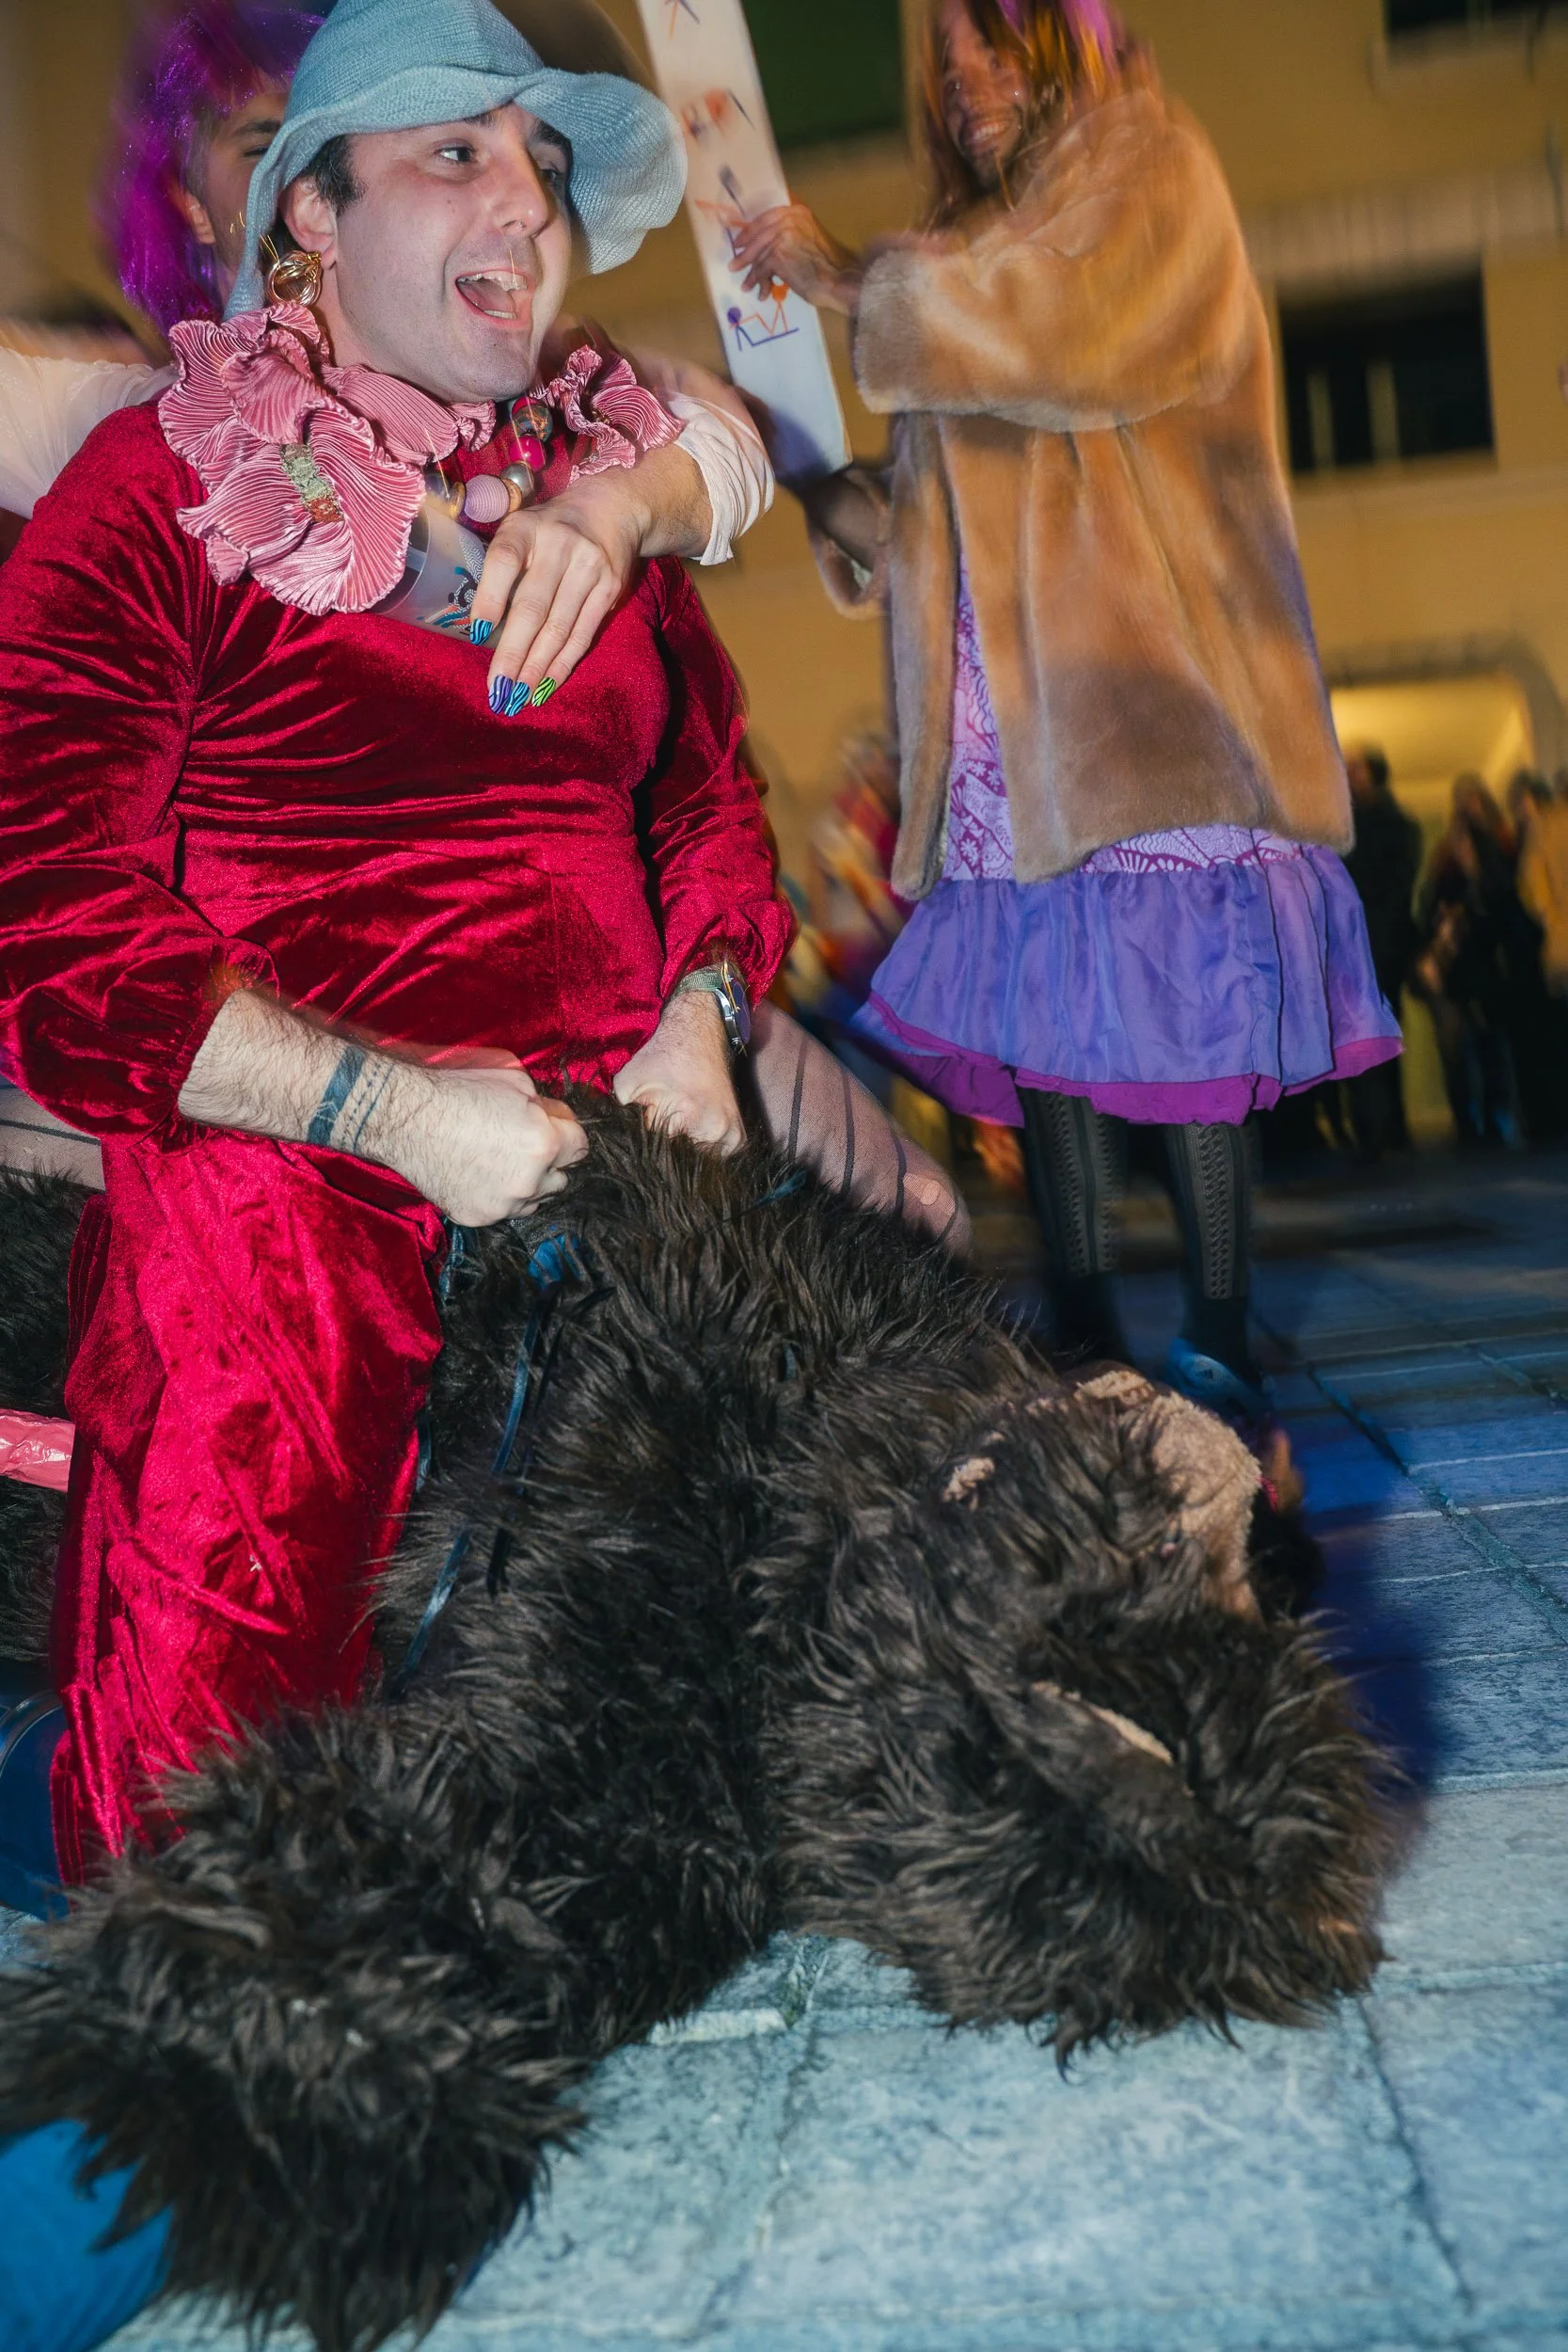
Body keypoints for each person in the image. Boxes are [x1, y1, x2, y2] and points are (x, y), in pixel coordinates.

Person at [730, 0, 1399, 1424]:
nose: (965, 84)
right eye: (947, 64)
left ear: (1065, 41)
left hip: (1149, 705)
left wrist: (851, 279)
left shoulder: (1146, 168)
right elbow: (935, 509)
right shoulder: (974, 253)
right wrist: (808, 480)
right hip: (1010, 734)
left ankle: (1219, 1342)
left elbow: (1067, 327)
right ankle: (1085, 1333)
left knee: (1188, 1039)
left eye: (996, 45)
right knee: (1054, 1048)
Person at [1410, 776, 1522, 1147]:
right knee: (1458, 1048)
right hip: (1454, 972)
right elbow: (1429, 912)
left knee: (1489, 1045)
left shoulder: (1494, 864)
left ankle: (1492, 1117)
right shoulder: (1445, 871)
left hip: (1483, 971)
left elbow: (1501, 910)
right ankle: (1469, 1118)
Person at [1341, 746, 1420, 1153]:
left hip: (1370, 947)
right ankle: (1385, 1126)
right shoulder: (1396, 826)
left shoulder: (1373, 828)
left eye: (1355, 770)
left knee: (1368, 1036)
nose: (1349, 776)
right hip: (1377, 948)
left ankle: (1377, 1129)